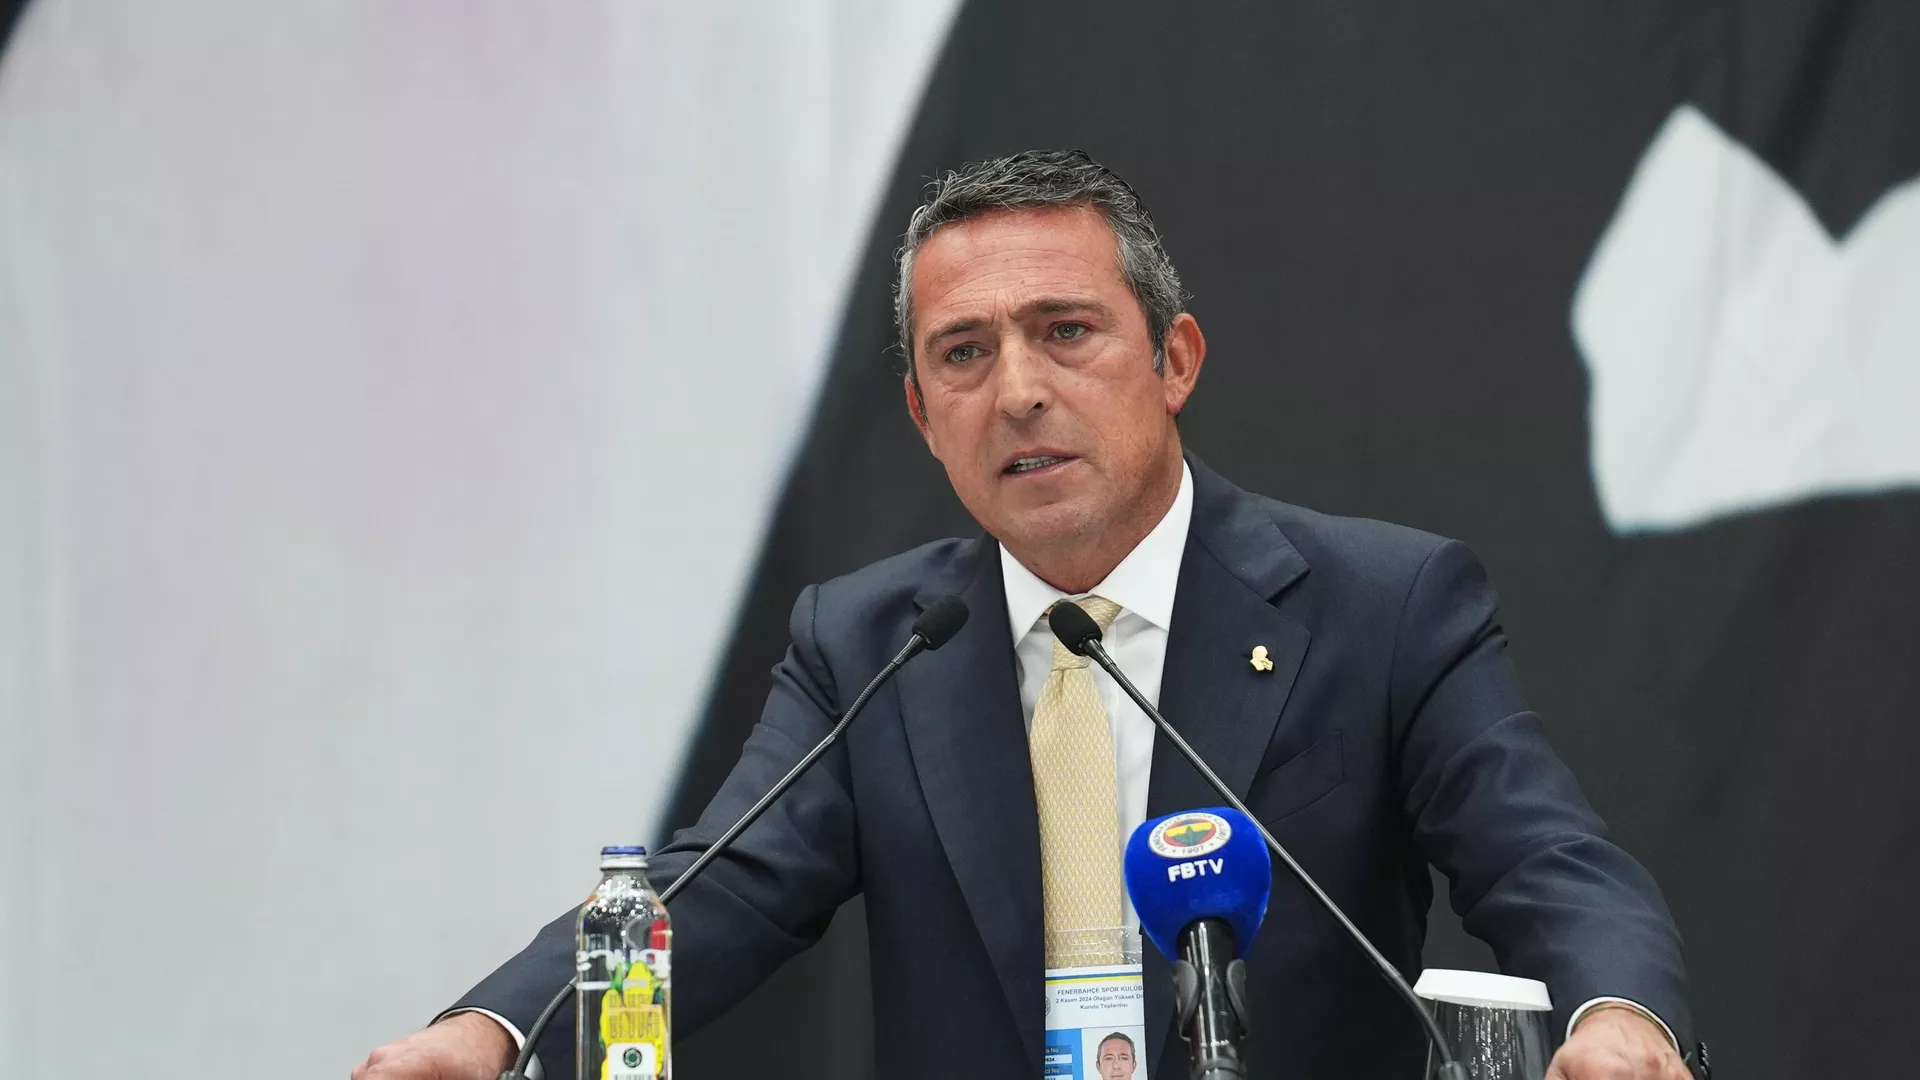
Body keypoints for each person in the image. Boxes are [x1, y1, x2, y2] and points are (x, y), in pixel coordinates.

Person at [353, 150, 1697, 1080]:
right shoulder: (871, 645)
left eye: (1066, 331)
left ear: (1174, 361)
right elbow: (720, 891)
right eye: (964, 354)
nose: (1017, 390)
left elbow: (1544, 857)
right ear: (922, 414)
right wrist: (493, 1035)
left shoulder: (1380, 605)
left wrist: (1621, 1017)